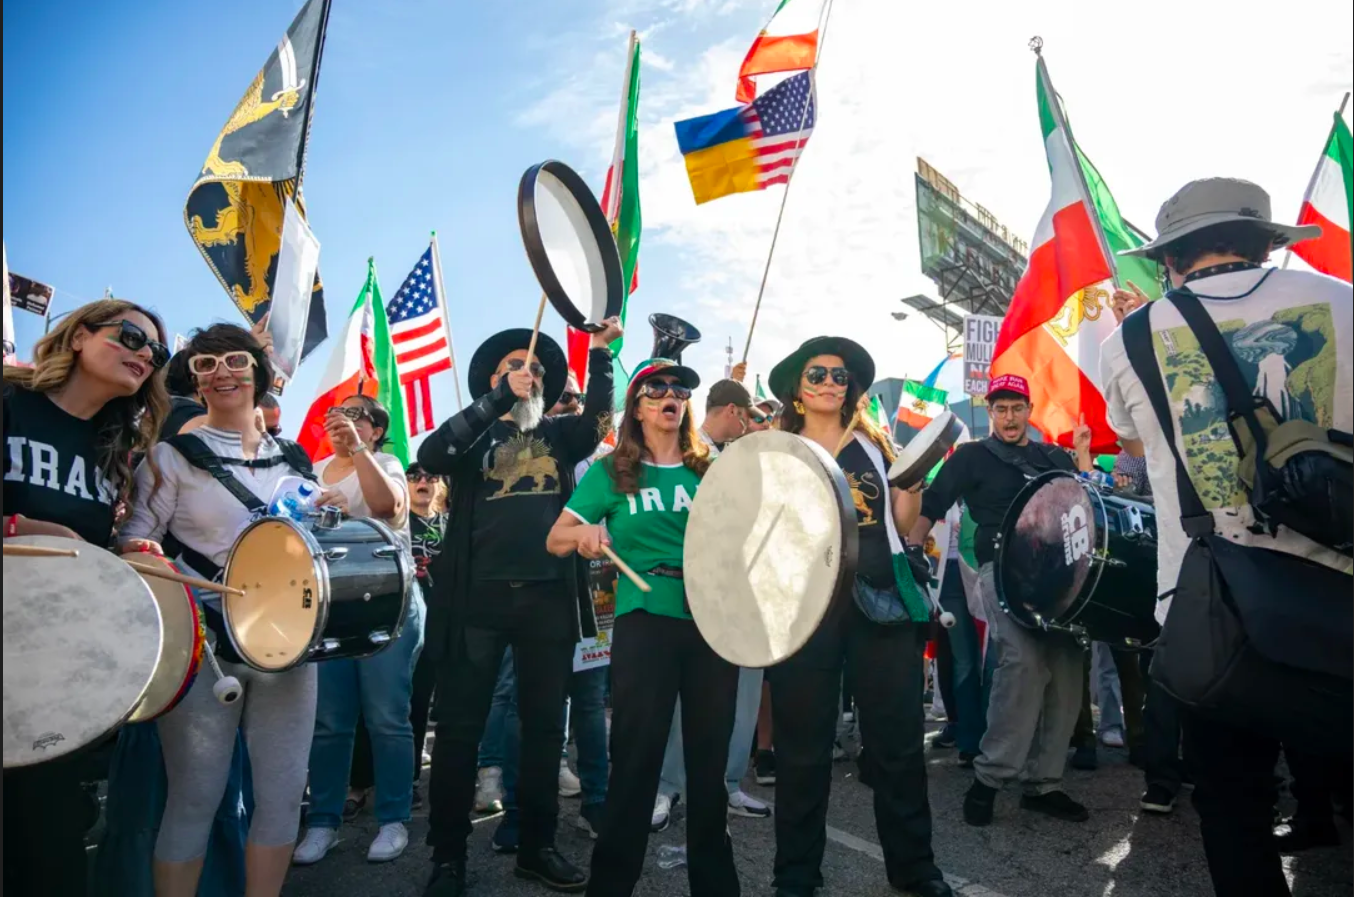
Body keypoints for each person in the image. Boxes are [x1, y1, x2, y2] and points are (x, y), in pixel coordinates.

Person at [1098, 177, 1352, 897]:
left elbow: (1125, 432)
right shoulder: (1342, 299)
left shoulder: (1135, 335)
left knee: (1234, 807)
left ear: (1170, 259)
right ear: (1268, 243)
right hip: (1341, 588)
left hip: (1214, 605)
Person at [417, 321, 621, 896]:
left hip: (548, 602)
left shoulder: (559, 436)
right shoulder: (472, 436)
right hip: (474, 604)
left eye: (534, 369)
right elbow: (431, 453)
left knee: (541, 730)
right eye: (513, 365)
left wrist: (602, 353)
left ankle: (537, 845)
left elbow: (601, 421)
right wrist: (500, 398)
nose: (526, 373)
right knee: (459, 733)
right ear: (493, 379)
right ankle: (448, 858)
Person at [117, 323, 316, 897]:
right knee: (195, 797)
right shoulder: (170, 457)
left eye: (234, 359)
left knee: (281, 795)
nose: (222, 372)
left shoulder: (295, 456)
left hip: (290, 645)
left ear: (259, 371)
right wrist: (166, 569)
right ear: (194, 380)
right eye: (206, 365)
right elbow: (134, 543)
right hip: (207, 649)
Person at [546, 357, 740, 897]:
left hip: (712, 619)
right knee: (635, 760)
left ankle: (717, 888)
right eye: (655, 389)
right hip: (646, 621)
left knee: (709, 765)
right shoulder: (614, 471)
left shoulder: (712, 468)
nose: (669, 396)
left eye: (678, 389)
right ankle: (610, 887)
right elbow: (556, 537)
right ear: (637, 406)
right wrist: (585, 537)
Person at [767, 337, 951, 897]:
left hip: (881, 603)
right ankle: (795, 876)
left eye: (840, 376)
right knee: (802, 748)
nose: (829, 382)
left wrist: (913, 484)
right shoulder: (776, 450)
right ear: (797, 389)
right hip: (806, 608)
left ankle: (915, 870)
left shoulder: (875, 444)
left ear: (852, 389)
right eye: (817, 374)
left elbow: (901, 516)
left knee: (896, 744)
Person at [3, 298, 170, 897]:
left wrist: (128, 557)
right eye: (130, 335)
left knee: (51, 849)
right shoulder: (9, 404)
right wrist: (18, 528)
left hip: (49, 675)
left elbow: (86, 560)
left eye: (156, 350)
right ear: (78, 337)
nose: (145, 353)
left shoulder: (112, 452)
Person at [908, 373, 1094, 829]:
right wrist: (912, 552)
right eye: (1001, 409)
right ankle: (989, 779)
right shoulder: (972, 456)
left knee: (1068, 668)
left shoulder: (1052, 455)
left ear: (1029, 410)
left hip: (1059, 576)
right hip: (1002, 572)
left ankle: (1044, 784)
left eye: (1017, 407)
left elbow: (1089, 501)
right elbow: (933, 503)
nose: (1009, 417)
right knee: (1024, 662)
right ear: (990, 412)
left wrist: (1085, 455)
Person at [293, 394, 426, 865]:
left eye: (356, 416)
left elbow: (387, 506)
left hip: (388, 604)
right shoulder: (309, 471)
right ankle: (323, 821)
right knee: (329, 721)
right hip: (331, 607)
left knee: (387, 716)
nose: (343, 422)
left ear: (374, 429)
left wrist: (359, 453)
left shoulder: (387, 460)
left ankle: (392, 818)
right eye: (337, 415)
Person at [652, 373, 771, 830]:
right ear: (733, 413)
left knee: (744, 692)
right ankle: (668, 788)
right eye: (747, 418)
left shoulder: (745, 458)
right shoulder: (683, 454)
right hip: (693, 595)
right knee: (686, 698)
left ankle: (729, 782)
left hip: (743, 591)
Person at [407, 463, 449, 806]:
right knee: (413, 704)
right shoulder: (395, 523)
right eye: (415, 476)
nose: (423, 482)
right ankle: (408, 778)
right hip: (408, 627)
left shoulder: (455, 524)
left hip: (450, 623)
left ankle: (452, 779)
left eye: (430, 476)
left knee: (450, 705)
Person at [698, 377, 758, 449]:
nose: (749, 422)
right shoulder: (691, 453)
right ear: (732, 410)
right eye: (749, 415)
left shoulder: (690, 447)